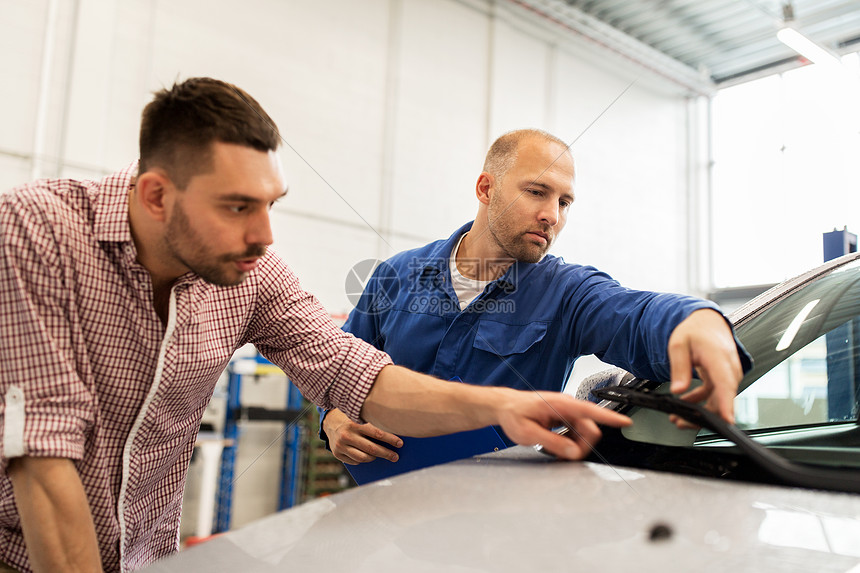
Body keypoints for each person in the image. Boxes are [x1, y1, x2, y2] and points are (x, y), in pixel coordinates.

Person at [0, 81, 632, 573]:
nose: (263, 237)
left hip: (150, 557)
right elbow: (45, 454)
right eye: (237, 207)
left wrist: (503, 406)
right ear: (158, 195)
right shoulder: (38, 232)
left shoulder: (251, 271)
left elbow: (354, 371)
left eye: (272, 204)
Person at [320, 128, 750, 466]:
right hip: (388, 509)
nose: (552, 215)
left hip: (502, 526)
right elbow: (337, 371)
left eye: (565, 202)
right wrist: (333, 420)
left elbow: (633, 314)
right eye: (537, 192)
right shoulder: (395, 276)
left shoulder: (566, 293)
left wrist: (698, 319)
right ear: (486, 189)